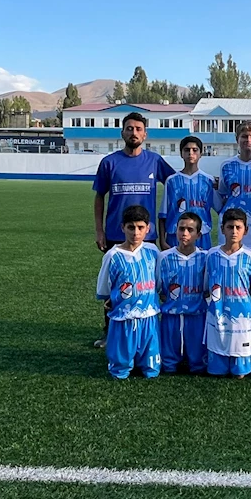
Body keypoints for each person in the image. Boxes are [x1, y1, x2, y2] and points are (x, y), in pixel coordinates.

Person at [93, 112, 176, 348]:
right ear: (122, 133)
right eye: (129, 128)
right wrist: (99, 231)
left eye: (138, 129)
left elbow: (176, 183)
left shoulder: (155, 161)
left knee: (146, 285)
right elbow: (99, 196)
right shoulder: (109, 162)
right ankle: (110, 331)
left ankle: (148, 331)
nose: (134, 133)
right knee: (116, 287)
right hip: (116, 235)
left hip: (146, 237)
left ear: (145, 134)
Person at [95, 205, 162, 379]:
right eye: (131, 227)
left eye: (140, 227)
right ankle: (121, 364)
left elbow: (158, 280)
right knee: (120, 371)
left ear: (148, 229)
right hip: (123, 318)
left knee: (152, 370)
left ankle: (146, 363)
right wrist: (110, 300)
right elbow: (104, 287)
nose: (136, 233)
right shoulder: (113, 255)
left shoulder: (153, 252)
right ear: (122, 227)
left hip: (148, 317)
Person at [204, 208, 251, 378]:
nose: (234, 231)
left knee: (239, 373)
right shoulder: (212, 255)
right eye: (230, 227)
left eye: (238, 227)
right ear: (222, 229)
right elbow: (206, 284)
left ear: (245, 230)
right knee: (216, 371)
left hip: (242, 316)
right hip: (217, 313)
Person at [156, 212, 209, 374]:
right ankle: (170, 359)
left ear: (198, 235)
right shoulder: (164, 257)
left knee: (198, 366)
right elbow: (158, 287)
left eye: (190, 230)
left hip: (197, 316)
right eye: (181, 229)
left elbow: (207, 289)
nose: (185, 233)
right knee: (168, 367)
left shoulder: (205, 257)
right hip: (171, 316)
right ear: (176, 230)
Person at [158, 135, 219, 252]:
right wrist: (162, 240)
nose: (191, 153)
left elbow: (221, 209)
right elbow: (163, 214)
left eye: (195, 150)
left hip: (201, 235)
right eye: (187, 150)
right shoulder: (171, 181)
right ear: (181, 153)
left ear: (201, 154)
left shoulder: (209, 181)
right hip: (176, 235)